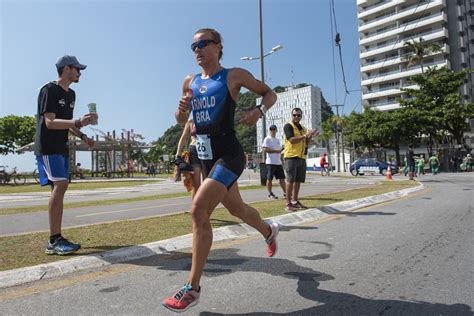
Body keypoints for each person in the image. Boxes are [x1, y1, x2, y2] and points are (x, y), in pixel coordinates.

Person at [161, 28, 279, 313]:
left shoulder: (233, 76)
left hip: (229, 154)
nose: (197, 50)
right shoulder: (189, 81)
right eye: (193, 46)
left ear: (218, 47)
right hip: (206, 157)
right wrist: (180, 109)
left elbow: (270, 94)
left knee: (198, 211)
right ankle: (268, 230)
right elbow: (181, 120)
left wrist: (258, 112)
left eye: (203, 44)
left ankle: (192, 288)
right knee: (237, 209)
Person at [34, 55, 97, 255]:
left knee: (59, 187)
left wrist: (83, 135)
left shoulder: (71, 94)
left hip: (61, 147)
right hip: (48, 146)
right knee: (61, 185)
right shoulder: (48, 90)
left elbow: (67, 122)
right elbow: (50, 122)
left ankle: (56, 238)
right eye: (77, 69)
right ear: (66, 69)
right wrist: (78, 122)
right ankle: (54, 240)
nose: (80, 73)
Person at [283, 107, 318, 212]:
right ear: (291, 115)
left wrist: (311, 136)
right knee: (290, 180)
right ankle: (288, 203)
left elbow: (306, 142)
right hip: (291, 156)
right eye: (294, 115)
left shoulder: (302, 128)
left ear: (301, 116)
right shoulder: (288, 126)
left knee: (298, 180)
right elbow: (292, 140)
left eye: (298, 115)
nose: (296, 117)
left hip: (301, 157)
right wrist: (305, 136)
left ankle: (295, 201)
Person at [174, 119, 202, 197]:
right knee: (196, 185)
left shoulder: (209, 115)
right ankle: (195, 208)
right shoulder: (191, 122)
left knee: (208, 183)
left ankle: (205, 207)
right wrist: (178, 154)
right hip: (194, 151)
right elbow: (183, 138)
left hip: (209, 152)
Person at [262, 124, 286, 199]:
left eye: (274, 129)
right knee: (269, 179)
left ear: (276, 130)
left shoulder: (278, 140)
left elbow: (279, 151)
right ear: (269, 130)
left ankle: (286, 193)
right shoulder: (267, 139)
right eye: (271, 129)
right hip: (270, 162)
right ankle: (270, 194)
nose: (272, 131)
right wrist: (276, 151)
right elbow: (265, 149)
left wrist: (282, 151)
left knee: (282, 178)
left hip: (278, 162)